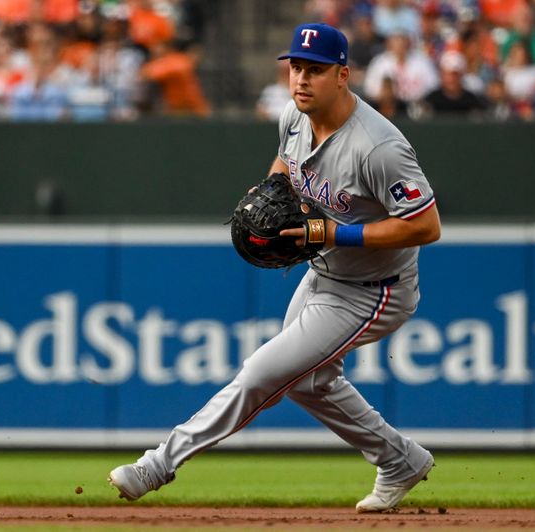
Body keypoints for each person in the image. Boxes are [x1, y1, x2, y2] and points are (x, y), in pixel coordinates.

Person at [109, 22, 441, 513]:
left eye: (316, 70)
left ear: (343, 74)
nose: (302, 79)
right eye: (296, 68)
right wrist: (269, 191)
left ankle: (158, 464)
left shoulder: (378, 147)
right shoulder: (293, 116)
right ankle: (400, 460)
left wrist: (334, 232)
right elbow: (285, 163)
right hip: (326, 272)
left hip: (377, 288)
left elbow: (425, 226)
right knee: (306, 382)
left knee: (261, 372)